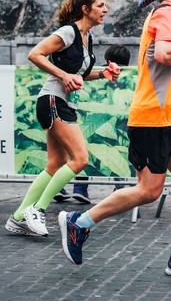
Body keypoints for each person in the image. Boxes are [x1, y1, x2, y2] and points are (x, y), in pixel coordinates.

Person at [57, 0, 171, 275]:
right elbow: (162, 54)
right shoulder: (168, 12)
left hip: (170, 117)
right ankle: (79, 222)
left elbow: (157, 66)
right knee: (149, 190)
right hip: (152, 119)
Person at [4, 0, 120, 237]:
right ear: (85, 10)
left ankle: (18, 217)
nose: (105, 10)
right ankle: (37, 210)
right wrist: (63, 75)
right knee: (80, 159)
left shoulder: (87, 38)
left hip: (62, 102)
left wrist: (103, 73)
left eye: (105, 6)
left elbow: (79, 73)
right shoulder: (68, 32)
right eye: (100, 5)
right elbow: (35, 54)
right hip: (53, 100)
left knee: (55, 163)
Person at [54, 43, 131, 204]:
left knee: (81, 150)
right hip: (116, 124)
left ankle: (78, 188)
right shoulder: (130, 75)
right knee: (117, 154)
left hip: (88, 118)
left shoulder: (96, 72)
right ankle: (120, 189)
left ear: (107, 59)